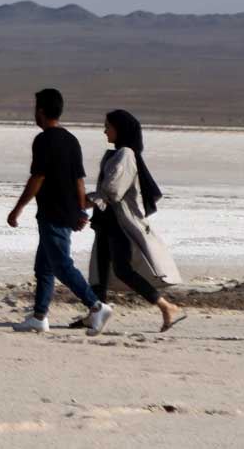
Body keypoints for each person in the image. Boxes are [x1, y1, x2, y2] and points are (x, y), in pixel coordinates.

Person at [5, 88, 112, 334]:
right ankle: (39, 317)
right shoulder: (71, 139)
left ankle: (96, 306)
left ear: (40, 111)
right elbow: (79, 181)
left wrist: (17, 209)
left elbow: (38, 178)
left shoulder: (43, 140)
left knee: (62, 264)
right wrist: (80, 210)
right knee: (44, 266)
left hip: (53, 213)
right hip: (65, 212)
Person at [73, 109, 188, 332]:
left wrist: (83, 201)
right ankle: (94, 314)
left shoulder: (125, 154)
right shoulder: (118, 153)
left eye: (108, 126)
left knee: (123, 270)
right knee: (100, 271)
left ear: (120, 129)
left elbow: (113, 191)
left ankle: (166, 306)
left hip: (119, 224)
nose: (105, 130)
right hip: (107, 221)